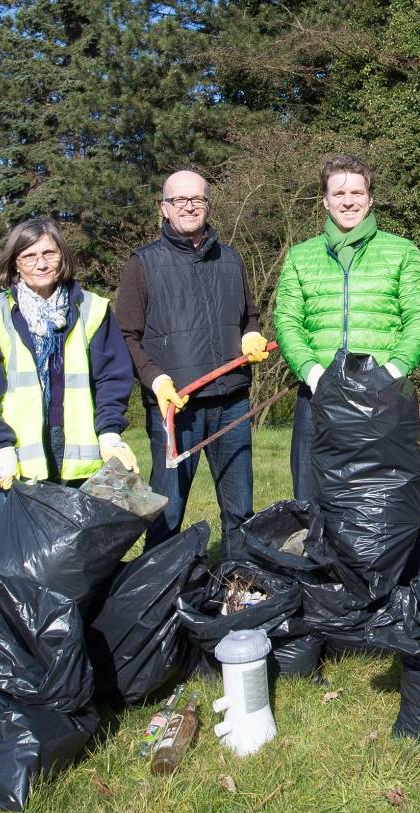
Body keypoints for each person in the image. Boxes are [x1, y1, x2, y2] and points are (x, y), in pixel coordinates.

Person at [115, 170, 268, 551]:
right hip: (175, 409)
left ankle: (242, 585)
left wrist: (251, 333)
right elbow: (126, 336)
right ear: (163, 208)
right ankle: (156, 594)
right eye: (179, 200)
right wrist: (156, 380)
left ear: (208, 205)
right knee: (167, 513)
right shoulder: (142, 264)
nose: (189, 206)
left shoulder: (231, 259)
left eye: (197, 199)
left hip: (231, 404)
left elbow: (250, 315)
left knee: (240, 511)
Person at [0, 216, 137, 527]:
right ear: (14, 264)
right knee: (21, 564)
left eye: (49, 254)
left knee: (78, 562)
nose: (41, 264)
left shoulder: (93, 310)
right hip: (14, 461)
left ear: (62, 257)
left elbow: (112, 378)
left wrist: (109, 433)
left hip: (79, 463)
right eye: (29, 256)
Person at [274, 154, 420, 501]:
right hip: (317, 394)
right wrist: (312, 373)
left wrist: (391, 372)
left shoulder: (402, 252)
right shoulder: (300, 257)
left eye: (357, 193)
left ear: (371, 198)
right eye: (339, 193)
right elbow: (287, 320)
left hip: (384, 397)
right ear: (325, 200)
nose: (349, 201)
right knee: (310, 499)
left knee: (381, 505)